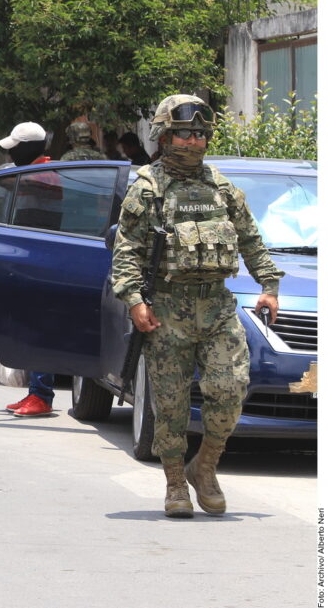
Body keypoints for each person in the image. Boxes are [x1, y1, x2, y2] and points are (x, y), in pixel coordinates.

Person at [112, 94, 283, 518]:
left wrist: (269, 285)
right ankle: (174, 483)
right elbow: (126, 251)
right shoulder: (147, 188)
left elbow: (250, 239)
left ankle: (204, 466)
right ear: (165, 137)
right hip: (167, 311)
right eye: (184, 133)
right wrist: (134, 299)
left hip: (217, 307)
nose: (193, 141)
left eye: (200, 134)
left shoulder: (221, 187)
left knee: (229, 390)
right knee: (169, 404)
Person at [0, 122, 60, 417]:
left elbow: (22, 184)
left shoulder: (44, 176)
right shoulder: (29, 173)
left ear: (27, 148)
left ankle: (41, 395)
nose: (11, 153)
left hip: (43, 266)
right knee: (31, 327)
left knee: (39, 330)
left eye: (15, 147)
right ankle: (35, 392)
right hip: (32, 263)